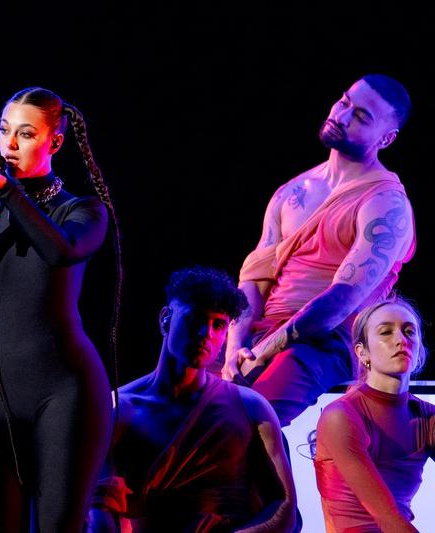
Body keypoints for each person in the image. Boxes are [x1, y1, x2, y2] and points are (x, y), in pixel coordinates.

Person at [0, 86, 123, 532]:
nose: (9, 145)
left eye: (25, 134)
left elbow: (60, 251)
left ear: (54, 143)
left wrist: (8, 194)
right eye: (5, 131)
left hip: (66, 394)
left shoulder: (82, 210)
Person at [222, 74, 417, 427]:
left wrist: (265, 351)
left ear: (386, 138)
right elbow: (254, 279)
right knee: (169, 395)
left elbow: (339, 301)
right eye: (344, 103)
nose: (342, 117)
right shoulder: (292, 191)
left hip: (322, 344)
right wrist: (235, 344)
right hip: (261, 335)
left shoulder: (386, 204)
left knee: (243, 419)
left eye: (361, 117)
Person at [88, 267, 297, 532]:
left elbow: (284, 508)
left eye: (218, 324)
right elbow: (99, 508)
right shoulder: (117, 409)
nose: (205, 334)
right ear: (166, 319)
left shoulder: (251, 408)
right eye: (194, 319)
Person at [314, 297, 432, 532]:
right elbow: (386, 517)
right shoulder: (341, 415)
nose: (401, 340)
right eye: (386, 332)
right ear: (362, 352)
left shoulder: (427, 416)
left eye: (409, 331)